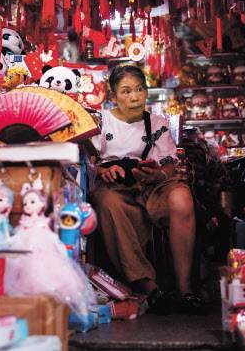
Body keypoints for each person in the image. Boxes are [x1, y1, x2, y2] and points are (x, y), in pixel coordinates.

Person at [90, 64, 201, 314]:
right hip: (116, 187)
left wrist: (157, 174)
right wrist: (104, 171)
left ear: (146, 92)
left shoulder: (157, 123)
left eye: (139, 90)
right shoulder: (102, 122)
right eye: (126, 91)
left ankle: (186, 289)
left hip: (152, 184)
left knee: (181, 196)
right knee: (109, 204)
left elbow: (170, 167)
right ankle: (149, 287)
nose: (134, 97)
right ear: (113, 96)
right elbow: (88, 163)